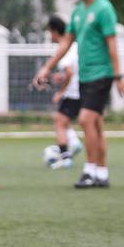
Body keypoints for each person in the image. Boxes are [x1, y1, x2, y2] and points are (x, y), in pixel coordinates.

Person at [33, 0, 124, 188]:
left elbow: (112, 45)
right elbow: (65, 43)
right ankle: (102, 174)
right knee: (95, 126)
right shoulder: (77, 11)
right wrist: (47, 68)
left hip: (101, 73)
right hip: (85, 76)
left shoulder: (104, 8)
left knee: (85, 120)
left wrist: (119, 76)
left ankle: (89, 171)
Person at [45, 15, 82, 169]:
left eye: (50, 32)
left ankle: (65, 157)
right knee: (65, 121)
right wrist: (60, 78)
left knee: (59, 122)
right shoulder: (74, 46)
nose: (50, 36)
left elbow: (69, 72)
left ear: (55, 31)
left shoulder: (64, 48)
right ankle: (73, 143)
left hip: (73, 93)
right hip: (81, 90)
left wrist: (61, 91)